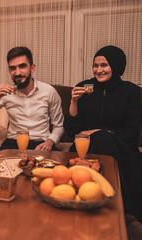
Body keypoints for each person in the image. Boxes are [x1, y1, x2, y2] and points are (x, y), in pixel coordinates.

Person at [63, 45, 142, 224]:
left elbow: (131, 132)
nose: (98, 70)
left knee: (104, 138)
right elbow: (71, 130)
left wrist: (101, 132)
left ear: (116, 66)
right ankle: (121, 210)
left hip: (120, 147)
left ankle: (118, 210)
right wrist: (74, 102)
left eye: (104, 65)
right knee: (101, 138)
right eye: (95, 65)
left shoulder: (130, 91)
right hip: (85, 146)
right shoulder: (84, 87)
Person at [0, 46, 64, 154]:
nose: (17, 73)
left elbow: (58, 126)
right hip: (13, 144)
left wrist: (50, 142)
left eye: (22, 66)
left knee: (63, 168)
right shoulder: (6, 94)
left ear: (32, 68)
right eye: (12, 68)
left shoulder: (49, 92)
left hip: (41, 143)